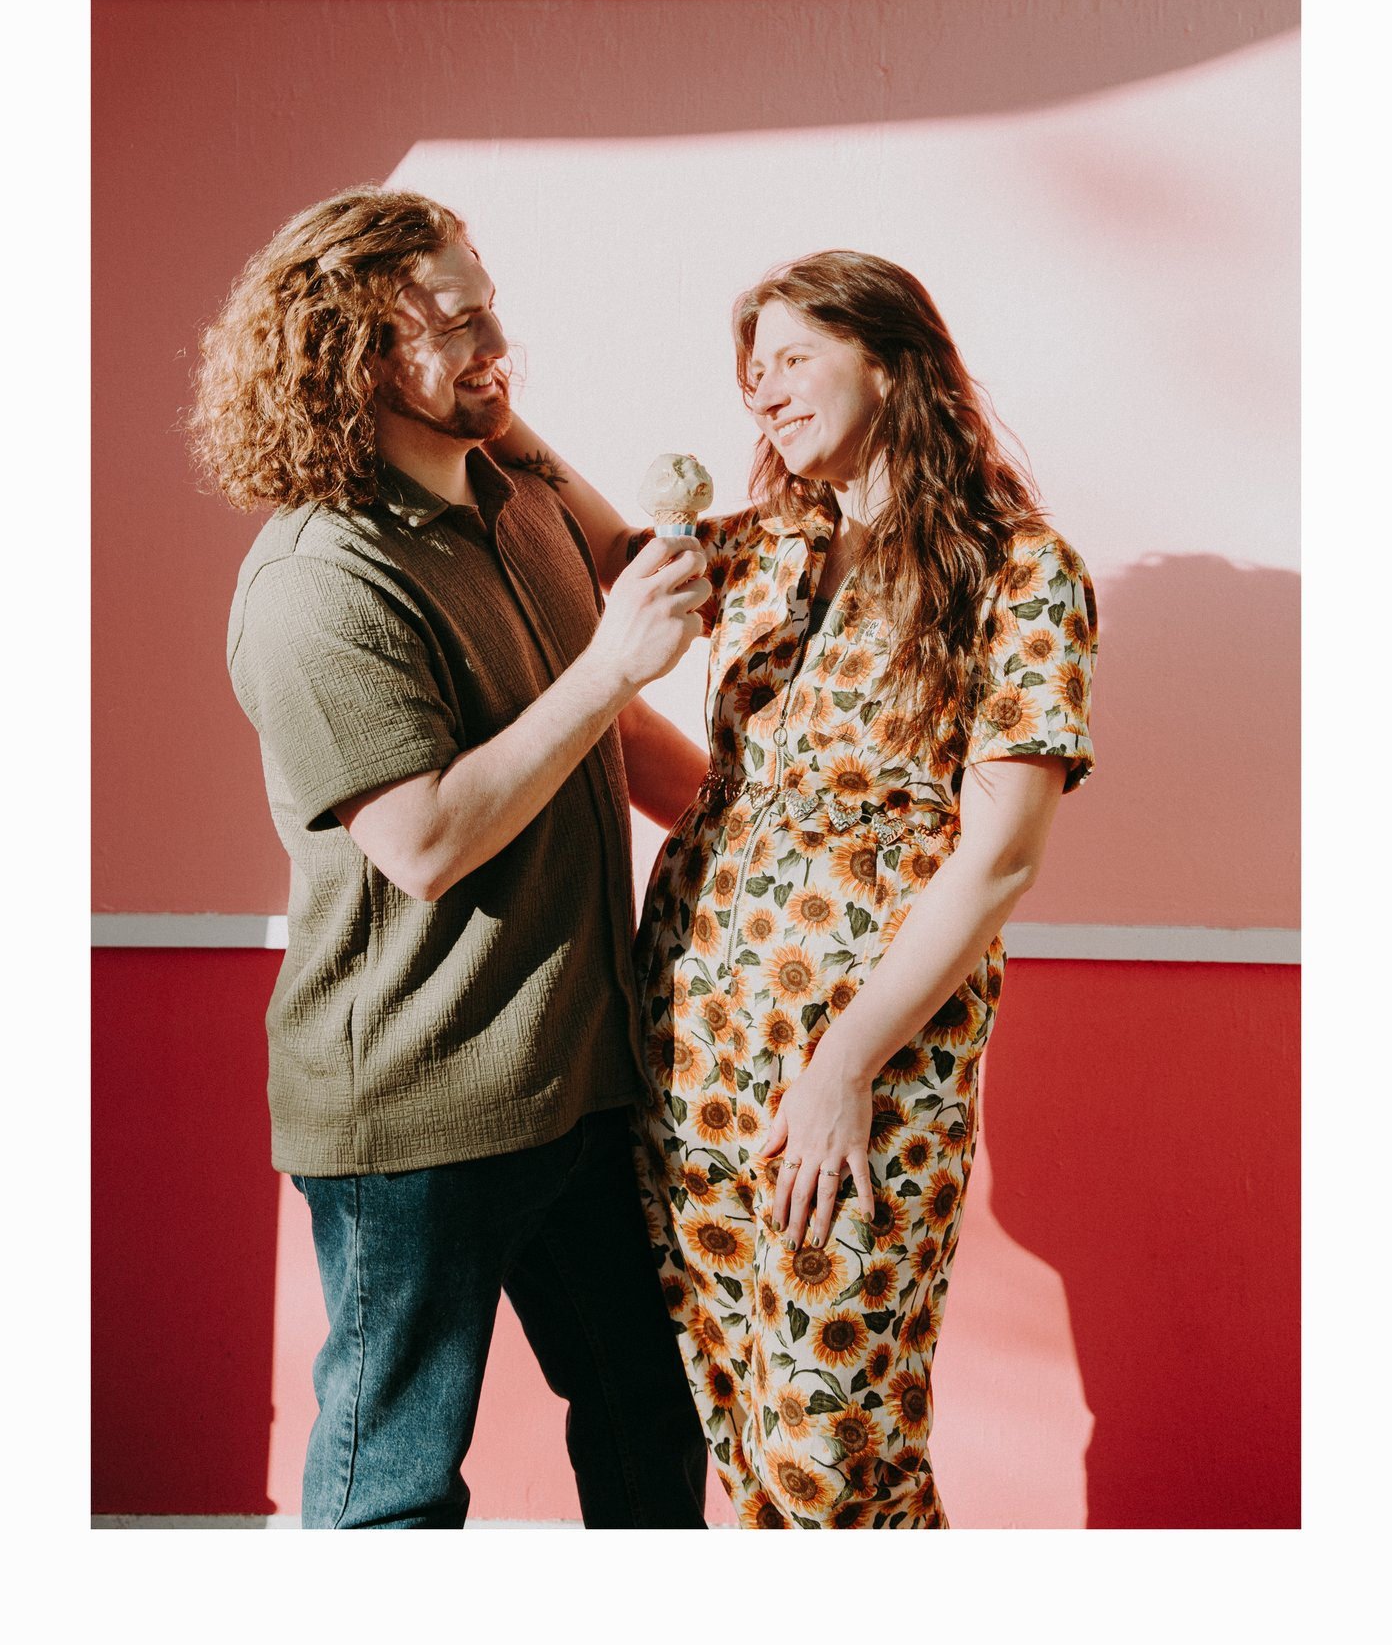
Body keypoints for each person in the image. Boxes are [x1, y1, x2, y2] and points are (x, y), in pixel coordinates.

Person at [495, 248, 1098, 1529]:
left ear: (892, 356)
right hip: (690, 1050)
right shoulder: (766, 548)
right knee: (740, 1422)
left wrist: (841, 1067)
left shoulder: (1017, 567)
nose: (759, 390)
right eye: (747, 369)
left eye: (790, 356)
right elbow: (618, 557)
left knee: (839, 1441)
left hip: (858, 1066)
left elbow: (1000, 853)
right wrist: (504, 418)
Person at [187, 185, 714, 1530]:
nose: (497, 335)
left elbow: (605, 658)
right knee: (396, 1484)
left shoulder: (513, 494)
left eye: (492, 300)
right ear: (356, 355)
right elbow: (422, 840)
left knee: (652, 1418)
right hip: (413, 1119)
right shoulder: (318, 582)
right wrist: (611, 666)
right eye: (457, 317)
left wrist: (751, 823)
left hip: (578, 1077)